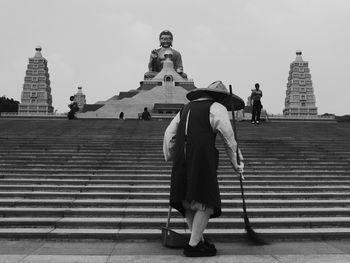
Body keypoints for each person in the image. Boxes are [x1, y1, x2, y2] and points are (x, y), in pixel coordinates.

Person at [163, 81, 245, 257]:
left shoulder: (185, 108)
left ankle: (199, 241)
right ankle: (193, 246)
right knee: (206, 200)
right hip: (201, 155)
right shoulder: (217, 107)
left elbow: (169, 133)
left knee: (188, 201)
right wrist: (236, 164)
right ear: (219, 97)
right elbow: (229, 139)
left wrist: (170, 155)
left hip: (181, 156)